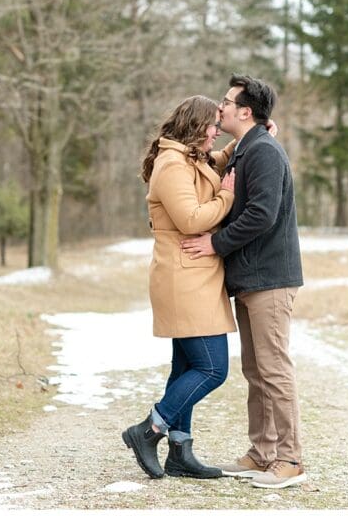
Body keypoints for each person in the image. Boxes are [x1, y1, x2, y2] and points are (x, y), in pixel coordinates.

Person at [181, 74, 306, 490]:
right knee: (256, 370)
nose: (221, 108)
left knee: (274, 369)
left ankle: (289, 459)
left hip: (270, 278)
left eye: (226, 102)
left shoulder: (265, 152)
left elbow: (262, 214)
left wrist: (215, 243)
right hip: (250, 279)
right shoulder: (247, 149)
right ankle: (261, 452)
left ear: (245, 111)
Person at [122, 95, 238, 480]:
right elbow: (190, 219)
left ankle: (180, 452)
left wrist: (245, 139)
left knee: (186, 366)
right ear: (195, 126)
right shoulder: (171, 164)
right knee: (213, 367)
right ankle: (149, 429)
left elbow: (213, 163)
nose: (216, 131)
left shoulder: (189, 158)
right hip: (184, 278)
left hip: (194, 276)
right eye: (213, 126)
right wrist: (228, 196)